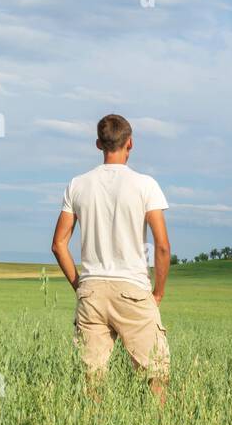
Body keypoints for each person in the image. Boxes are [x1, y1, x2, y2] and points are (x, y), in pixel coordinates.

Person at [51, 113, 171, 402]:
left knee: (92, 378)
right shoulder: (146, 185)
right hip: (132, 288)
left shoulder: (77, 185)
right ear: (130, 143)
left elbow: (58, 244)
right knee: (156, 375)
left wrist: (80, 285)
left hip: (92, 290)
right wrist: (158, 292)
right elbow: (162, 246)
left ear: (98, 144)